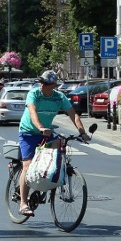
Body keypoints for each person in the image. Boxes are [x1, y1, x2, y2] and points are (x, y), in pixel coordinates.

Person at [17, 70, 89, 216]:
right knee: (28, 165)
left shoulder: (59, 97)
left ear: (54, 85)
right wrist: (41, 127)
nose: (42, 85)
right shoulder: (34, 94)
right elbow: (32, 112)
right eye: (41, 82)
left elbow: (73, 114)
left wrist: (82, 132)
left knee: (55, 160)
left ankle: (41, 185)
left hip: (47, 133)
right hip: (29, 133)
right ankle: (23, 203)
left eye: (46, 84)